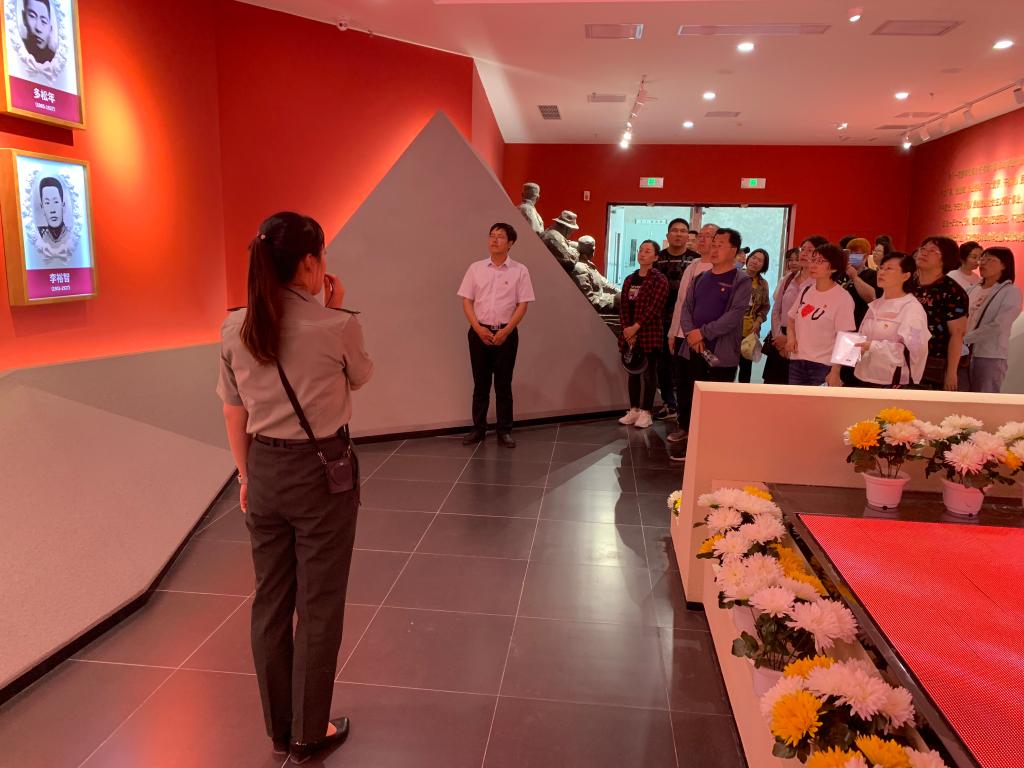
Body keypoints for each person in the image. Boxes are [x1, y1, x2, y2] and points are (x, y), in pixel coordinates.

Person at [217, 212, 373, 764]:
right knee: (319, 604)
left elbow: (234, 411)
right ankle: (309, 732)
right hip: (321, 473)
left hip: (263, 468)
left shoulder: (234, 327)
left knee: (269, 603)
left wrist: (245, 476)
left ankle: (279, 730)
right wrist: (331, 308)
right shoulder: (337, 325)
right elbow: (361, 376)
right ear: (310, 263)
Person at [671, 227, 752, 460]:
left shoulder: (741, 279)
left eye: (720, 245)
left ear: (734, 250)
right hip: (692, 347)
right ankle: (691, 442)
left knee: (714, 403)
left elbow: (734, 315)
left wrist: (703, 334)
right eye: (713, 244)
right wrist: (691, 334)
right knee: (689, 396)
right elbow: (686, 308)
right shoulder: (700, 277)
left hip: (720, 352)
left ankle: (710, 450)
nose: (714, 249)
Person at [458, 222, 535, 448]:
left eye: (500, 237)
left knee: (503, 384)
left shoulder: (520, 271)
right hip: (479, 332)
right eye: (491, 235)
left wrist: (506, 331)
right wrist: (477, 327)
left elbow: (523, 305)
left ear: (510, 243)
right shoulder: (476, 268)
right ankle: (478, 429)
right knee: (480, 384)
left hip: (506, 334)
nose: (494, 240)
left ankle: (504, 430)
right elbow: (467, 301)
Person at [666, 222, 718, 442]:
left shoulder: (719, 269)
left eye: (708, 235)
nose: (702, 239)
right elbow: (680, 303)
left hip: (701, 337)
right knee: (682, 382)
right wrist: (673, 332)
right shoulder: (692, 265)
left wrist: (699, 333)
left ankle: (700, 428)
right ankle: (684, 424)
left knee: (700, 382)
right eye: (701, 235)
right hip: (681, 335)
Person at [853, 252, 930, 387]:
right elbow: (863, 337)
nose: (882, 272)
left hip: (891, 382)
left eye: (889, 269)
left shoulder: (911, 308)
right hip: (863, 375)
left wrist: (872, 346)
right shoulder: (876, 304)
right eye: (881, 268)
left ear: (905, 276)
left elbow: (915, 350)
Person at [786, 243, 855, 387]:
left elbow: (847, 338)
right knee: (795, 400)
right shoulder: (806, 290)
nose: (813, 265)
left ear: (834, 267)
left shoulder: (843, 298)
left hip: (824, 365)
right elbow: (791, 318)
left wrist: (836, 371)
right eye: (813, 260)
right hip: (797, 361)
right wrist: (791, 338)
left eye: (820, 261)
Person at [618, 240, 669, 429]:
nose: (642, 254)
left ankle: (647, 412)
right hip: (630, 335)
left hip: (649, 333)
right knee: (633, 372)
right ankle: (633, 409)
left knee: (649, 373)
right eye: (640, 250)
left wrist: (636, 327)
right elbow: (623, 306)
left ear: (656, 257)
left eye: (647, 251)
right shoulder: (629, 279)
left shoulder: (659, 280)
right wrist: (627, 329)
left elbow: (655, 308)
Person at [652, 217, 697, 420]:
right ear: (667, 235)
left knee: (684, 365)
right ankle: (669, 404)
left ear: (688, 236)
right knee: (662, 364)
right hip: (659, 320)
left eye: (683, 231)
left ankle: (687, 407)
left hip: (687, 322)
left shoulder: (696, 261)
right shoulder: (658, 258)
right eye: (675, 230)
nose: (679, 234)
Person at [762, 237, 822, 384]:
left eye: (810, 250)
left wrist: (791, 340)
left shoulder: (820, 283)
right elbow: (776, 310)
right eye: (803, 249)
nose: (804, 253)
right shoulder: (789, 278)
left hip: (802, 343)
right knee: (771, 386)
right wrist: (778, 337)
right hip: (780, 339)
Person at [961, 247, 1022, 392]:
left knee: (984, 396)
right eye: (982, 259)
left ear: (1004, 265)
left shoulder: (1010, 291)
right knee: (962, 396)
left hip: (989, 355)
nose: (983, 263)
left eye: (990, 260)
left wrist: (965, 339)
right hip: (963, 353)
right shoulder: (972, 289)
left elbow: (999, 325)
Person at [912, 236, 968, 390]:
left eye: (933, 251)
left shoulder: (952, 291)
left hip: (933, 361)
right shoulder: (907, 283)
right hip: (901, 357)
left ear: (945, 259)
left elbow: (957, 334)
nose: (924, 253)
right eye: (923, 249)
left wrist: (951, 373)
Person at [738, 248, 770, 384]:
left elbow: (765, 306)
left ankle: (743, 394)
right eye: (754, 258)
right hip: (730, 329)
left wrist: (758, 321)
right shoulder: (735, 275)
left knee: (745, 368)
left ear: (764, 265)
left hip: (749, 330)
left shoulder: (763, 283)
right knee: (727, 366)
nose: (755, 262)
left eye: (760, 261)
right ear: (748, 258)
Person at [22, 0, 56, 64]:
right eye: (32, 16)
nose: (38, 28)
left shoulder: (55, 59)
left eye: (44, 21)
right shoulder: (18, 49)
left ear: (50, 28)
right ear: (24, 17)